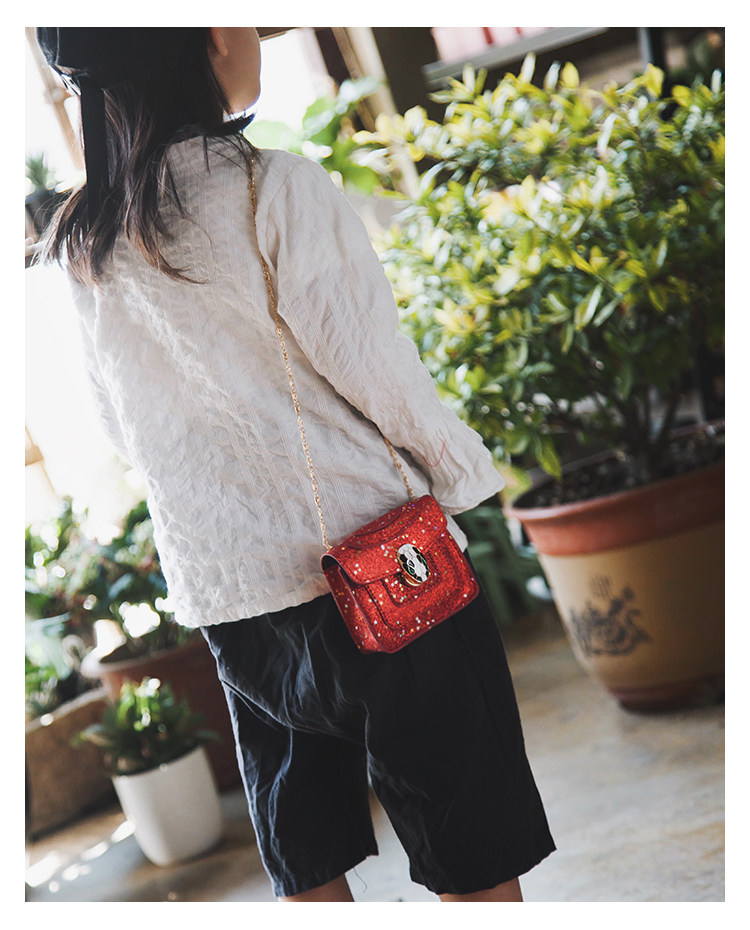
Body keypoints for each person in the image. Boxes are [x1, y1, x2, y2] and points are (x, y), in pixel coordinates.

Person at [36, 27, 555, 902]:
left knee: (308, 851)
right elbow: (378, 374)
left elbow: (121, 429)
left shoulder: (87, 238)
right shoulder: (270, 186)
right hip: (380, 569)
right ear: (205, 40)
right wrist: (465, 479)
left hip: (233, 598)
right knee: (469, 834)